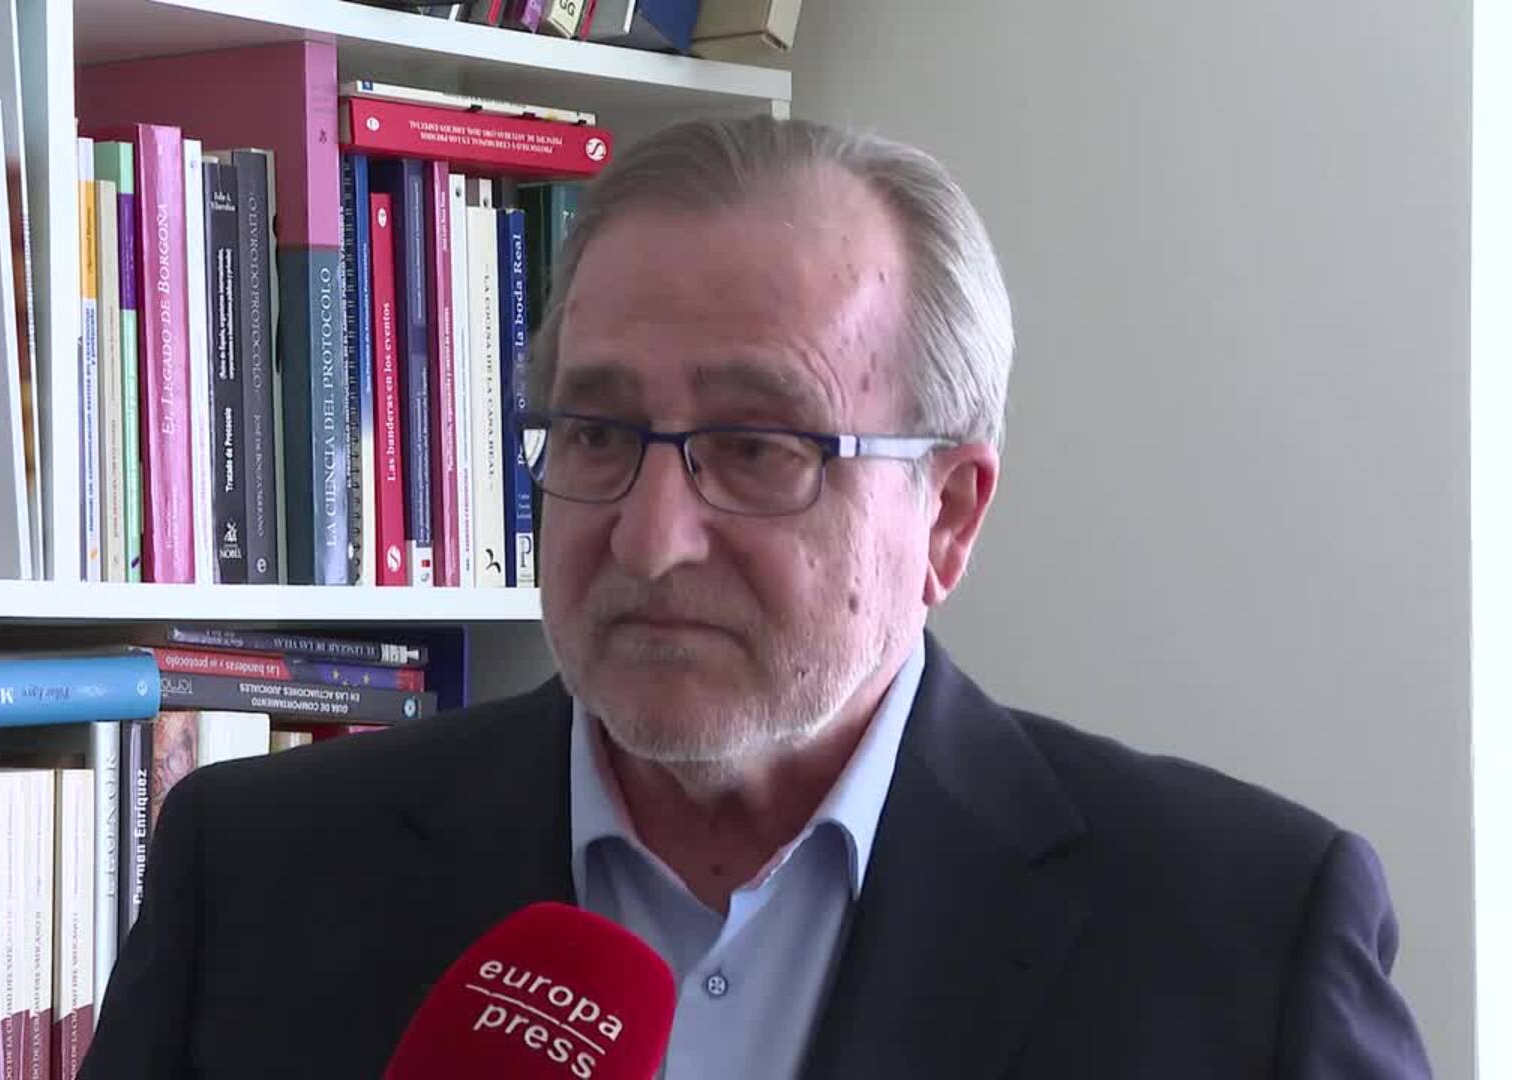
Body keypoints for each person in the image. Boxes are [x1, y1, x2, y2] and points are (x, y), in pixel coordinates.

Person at [79, 115, 1431, 1079]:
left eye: (759, 447)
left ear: (948, 515)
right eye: (597, 433)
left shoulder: (1241, 937)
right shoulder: (259, 876)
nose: (652, 538)